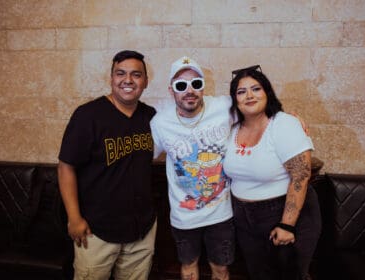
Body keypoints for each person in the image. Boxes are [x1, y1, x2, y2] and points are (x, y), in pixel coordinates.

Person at [58, 50, 157, 280]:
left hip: (141, 229)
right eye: (120, 73)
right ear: (111, 78)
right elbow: (66, 167)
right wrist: (74, 218)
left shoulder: (151, 117)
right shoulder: (88, 116)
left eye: (136, 74)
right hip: (96, 230)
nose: (128, 80)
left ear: (145, 81)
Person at [223, 65, 322, 280]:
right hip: (244, 218)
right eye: (241, 91)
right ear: (235, 99)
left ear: (267, 92)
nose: (249, 95)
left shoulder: (284, 124)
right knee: (259, 275)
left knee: (290, 275)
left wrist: (287, 224)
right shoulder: (231, 128)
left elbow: (301, 176)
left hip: (283, 212)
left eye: (256, 89)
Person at [150, 57, 235, 280]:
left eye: (196, 83)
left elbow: (258, 110)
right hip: (183, 216)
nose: (189, 90)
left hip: (221, 214)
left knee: (221, 269)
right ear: (171, 90)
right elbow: (141, 156)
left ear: (203, 86)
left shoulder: (224, 107)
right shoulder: (160, 123)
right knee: (189, 268)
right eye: (181, 85)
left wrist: (287, 119)